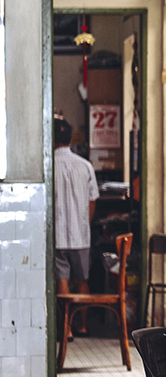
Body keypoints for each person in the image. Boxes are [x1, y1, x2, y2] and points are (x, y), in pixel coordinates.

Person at [54, 117, 99, 333]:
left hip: (57, 235)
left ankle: (66, 329)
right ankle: (83, 326)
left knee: (62, 278)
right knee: (82, 279)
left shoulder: (48, 166)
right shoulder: (85, 166)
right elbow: (92, 201)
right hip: (81, 236)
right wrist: (85, 226)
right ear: (70, 138)